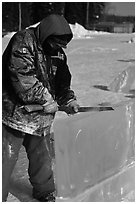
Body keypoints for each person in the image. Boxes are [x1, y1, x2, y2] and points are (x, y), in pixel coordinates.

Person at [2, 14, 79, 202]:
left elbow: (62, 83)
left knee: (42, 158)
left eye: (62, 44)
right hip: (16, 114)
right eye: (56, 43)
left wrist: (68, 100)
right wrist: (45, 99)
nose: (58, 48)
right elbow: (22, 76)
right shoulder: (23, 41)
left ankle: (44, 191)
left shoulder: (58, 53)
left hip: (40, 118)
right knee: (6, 157)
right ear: (47, 35)